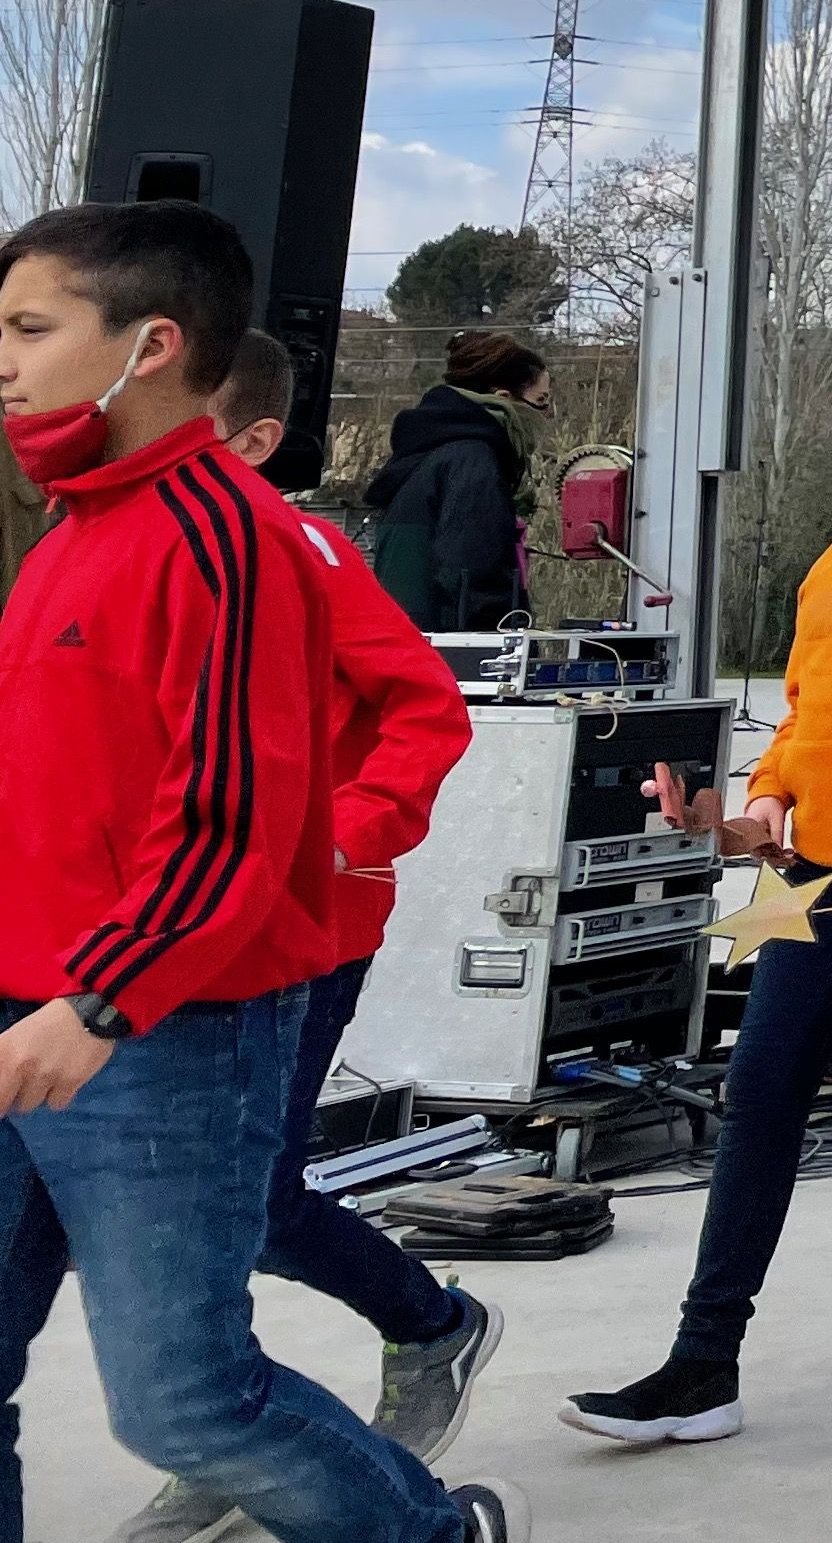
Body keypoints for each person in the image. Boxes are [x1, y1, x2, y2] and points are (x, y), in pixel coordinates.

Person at [0, 204, 523, 1542]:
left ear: (150, 345)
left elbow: (231, 819)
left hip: (158, 1027)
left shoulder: (230, 541)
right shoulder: (69, 536)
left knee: (183, 1399)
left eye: (29, 328)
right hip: (32, 1009)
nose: (2, 359)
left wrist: (106, 996)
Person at [567, 322, 832, 1447]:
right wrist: (761, 801)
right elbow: (812, 710)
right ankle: (704, 1363)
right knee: (761, 1098)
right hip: (814, 876)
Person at [100, 337, 504, 1543]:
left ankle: (416, 1330)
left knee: (245, 1199)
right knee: (167, 1202)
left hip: (297, 929)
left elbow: (422, 706)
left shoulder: (300, 548)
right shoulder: (121, 550)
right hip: (157, 936)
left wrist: (341, 832)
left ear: (251, 440)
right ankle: (223, 1426)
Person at [363, 326, 551, 633]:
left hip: (408, 645)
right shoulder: (474, 461)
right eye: (541, 401)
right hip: (452, 659)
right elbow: (473, 579)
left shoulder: (427, 454)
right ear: (503, 398)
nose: (548, 414)